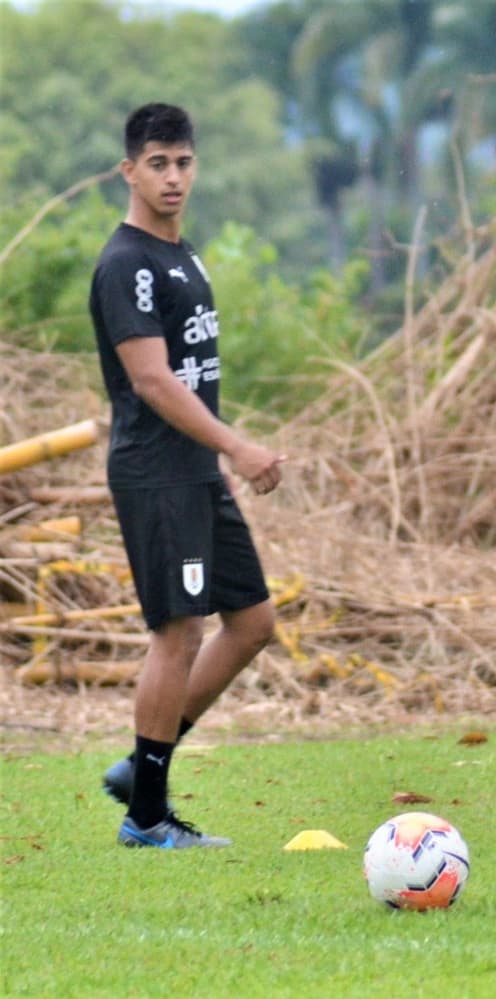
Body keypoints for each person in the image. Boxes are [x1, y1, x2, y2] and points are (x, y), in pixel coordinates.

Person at [89, 103, 286, 848]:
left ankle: (142, 766)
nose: (174, 177)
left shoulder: (184, 254)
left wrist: (218, 460)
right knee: (178, 632)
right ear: (130, 171)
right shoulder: (125, 263)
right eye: (158, 164)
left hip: (197, 471)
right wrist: (238, 446)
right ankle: (147, 814)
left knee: (253, 622)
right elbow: (152, 381)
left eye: (184, 162)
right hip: (156, 473)